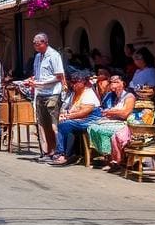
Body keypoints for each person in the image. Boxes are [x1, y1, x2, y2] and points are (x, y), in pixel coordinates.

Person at [25, 33, 66, 161]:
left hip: (52, 93)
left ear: (45, 42)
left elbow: (59, 76)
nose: (36, 47)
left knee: (54, 124)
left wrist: (40, 83)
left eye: (38, 44)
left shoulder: (54, 55)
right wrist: (31, 81)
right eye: (34, 44)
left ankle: (58, 151)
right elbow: (38, 75)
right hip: (40, 93)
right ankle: (47, 151)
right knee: (42, 124)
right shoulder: (37, 57)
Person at [48, 71, 102, 165]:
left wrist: (68, 116)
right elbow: (69, 108)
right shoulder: (74, 93)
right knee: (62, 124)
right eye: (72, 82)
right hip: (79, 119)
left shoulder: (89, 93)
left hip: (91, 119)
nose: (73, 85)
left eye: (75, 82)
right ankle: (67, 153)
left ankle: (63, 154)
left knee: (65, 125)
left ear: (82, 82)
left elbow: (84, 112)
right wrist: (64, 114)